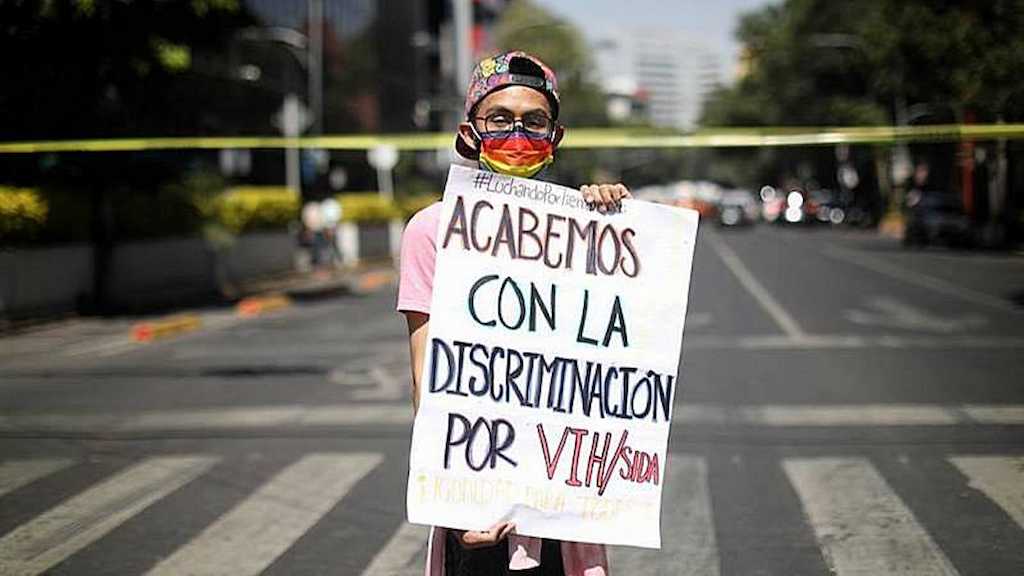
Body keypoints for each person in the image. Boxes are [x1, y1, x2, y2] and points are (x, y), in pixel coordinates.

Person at [397, 50, 631, 576]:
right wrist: (455, 501)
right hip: (480, 498)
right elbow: (427, 375)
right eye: (499, 119)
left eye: (534, 121)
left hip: (563, 505)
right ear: (471, 130)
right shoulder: (431, 232)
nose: (517, 133)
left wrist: (613, 218)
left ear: (556, 135)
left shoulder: (584, 230)